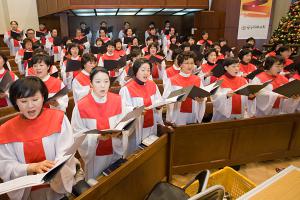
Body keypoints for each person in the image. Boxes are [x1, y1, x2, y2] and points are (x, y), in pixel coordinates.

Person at [0, 77, 76, 200]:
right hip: (28, 194)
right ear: (15, 102)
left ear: (43, 98)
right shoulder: (5, 130)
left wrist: (53, 170)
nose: (30, 106)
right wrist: (29, 168)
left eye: (35, 99)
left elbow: (66, 153)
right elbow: (4, 165)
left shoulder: (59, 119)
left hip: (56, 189)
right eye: (23, 101)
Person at [71, 67, 131, 179]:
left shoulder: (118, 100)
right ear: (91, 84)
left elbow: (125, 122)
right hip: (94, 157)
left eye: (106, 81)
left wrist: (121, 132)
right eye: (98, 82)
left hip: (115, 151)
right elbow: (77, 135)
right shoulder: (81, 106)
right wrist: (97, 137)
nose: (103, 85)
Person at [119, 58, 164, 145]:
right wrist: (135, 109)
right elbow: (122, 109)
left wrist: (159, 105)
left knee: (151, 147)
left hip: (151, 124)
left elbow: (159, 100)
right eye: (143, 70)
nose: (146, 73)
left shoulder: (153, 85)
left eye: (148, 70)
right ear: (135, 71)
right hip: (136, 128)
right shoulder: (126, 89)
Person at [163, 51, 206, 125]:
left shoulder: (197, 79)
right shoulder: (172, 80)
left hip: (193, 112)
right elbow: (165, 98)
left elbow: (203, 96)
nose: (190, 66)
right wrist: (181, 94)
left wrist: (202, 99)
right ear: (180, 65)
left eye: (192, 63)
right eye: (186, 63)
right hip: (178, 114)